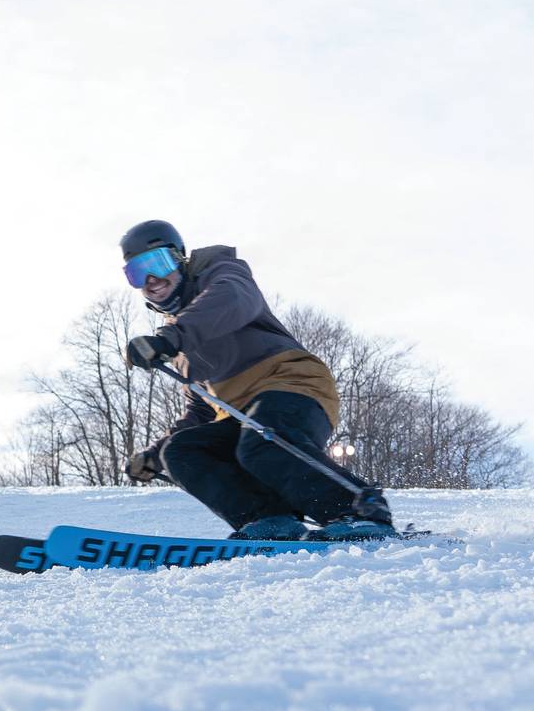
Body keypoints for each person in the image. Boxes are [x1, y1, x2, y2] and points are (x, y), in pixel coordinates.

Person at [118, 219, 395, 540]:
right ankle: (270, 519)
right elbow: (202, 410)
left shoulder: (221, 275)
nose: (150, 280)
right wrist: (155, 455)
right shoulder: (178, 337)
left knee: (260, 440)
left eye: (157, 264)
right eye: (137, 273)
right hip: (240, 416)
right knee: (181, 451)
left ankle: (357, 510)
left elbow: (234, 298)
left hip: (293, 384)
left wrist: (171, 338)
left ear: (180, 258)